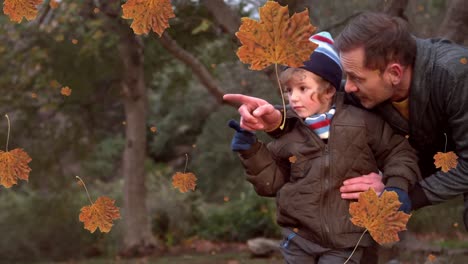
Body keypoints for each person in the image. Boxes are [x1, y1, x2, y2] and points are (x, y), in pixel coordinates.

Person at [225, 12, 468, 229]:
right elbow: (331, 101)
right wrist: (276, 117)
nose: (349, 87)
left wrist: (399, 198)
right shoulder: (371, 87)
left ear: (394, 73)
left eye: (355, 78)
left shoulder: (456, 76)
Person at [227, 32, 421, 264]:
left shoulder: (362, 121)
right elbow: (271, 184)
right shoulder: (288, 132)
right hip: (298, 240)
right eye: (289, 91)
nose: (293, 99)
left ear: (329, 90)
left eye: (302, 88)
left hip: (349, 240)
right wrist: (250, 150)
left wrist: (397, 188)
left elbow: (400, 153)